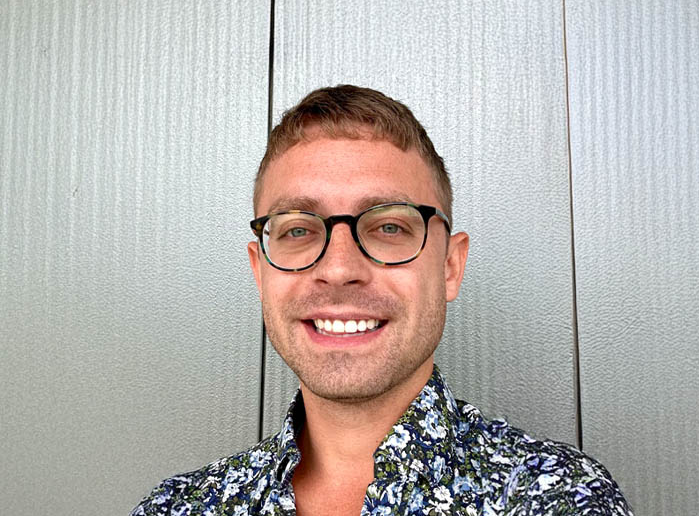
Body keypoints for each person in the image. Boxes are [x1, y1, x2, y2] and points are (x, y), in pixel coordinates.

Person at [133, 85, 632, 516]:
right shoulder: (176, 507)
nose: (339, 269)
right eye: (298, 230)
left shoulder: (557, 497)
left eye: (389, 226)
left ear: (450, 266)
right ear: (260, 271)